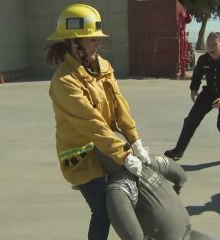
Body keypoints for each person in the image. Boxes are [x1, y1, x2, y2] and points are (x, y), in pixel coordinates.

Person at [46, 4, 150, 239]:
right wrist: (123, 154)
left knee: (129, 200)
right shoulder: (63, 82)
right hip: (81, 158)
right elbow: (91, 123)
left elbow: (119, 104)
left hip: (107, 149)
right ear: (74, 42)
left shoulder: (102, 67)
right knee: (103, 211)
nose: (97, 43)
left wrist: (136, 140)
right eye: (92, 39)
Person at [95, 149, 215, 240]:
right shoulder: (146, 162)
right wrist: (176, 189)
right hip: (186, 230)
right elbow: (180, 175)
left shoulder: (118, 188)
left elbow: (132, 236)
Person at [165, 32, 220, 165]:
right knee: (190, 121)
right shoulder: (203, 59)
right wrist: (194, 90)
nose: (211, 46)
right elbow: (197, 76)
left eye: (215, 43)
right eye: (209, 43)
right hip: (210, 93)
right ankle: (178, 151)